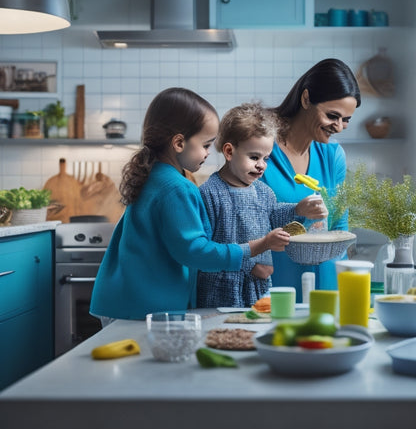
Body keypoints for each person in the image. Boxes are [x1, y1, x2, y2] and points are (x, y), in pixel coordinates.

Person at [90, 88, 290, 321]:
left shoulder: (152, 176)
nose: (207, 153)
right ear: (178, 143)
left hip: (121, 301)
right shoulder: (177, 188)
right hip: (143, 309)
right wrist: (257, 246)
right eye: (206, 145)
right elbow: (196, 251)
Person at [196, 102, 327, 308]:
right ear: (229, 152)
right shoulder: (209, 194)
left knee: (257, 332)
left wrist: (297, 209)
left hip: (261, 288)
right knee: (226, 334)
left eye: (266, 158)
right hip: (224, 290)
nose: (261, 165)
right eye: (254, 157)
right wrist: (250, 262)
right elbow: (207, 251)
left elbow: (273, 215)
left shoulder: (263, 191)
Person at [261, 58, 361, 302]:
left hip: (326, 288)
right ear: (306, 99)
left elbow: (339, 226)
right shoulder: (260, 147)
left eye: (346, 119)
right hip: (274, 287)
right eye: (332, 116)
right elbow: (242, 220)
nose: (339, 126)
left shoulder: (333, 155)